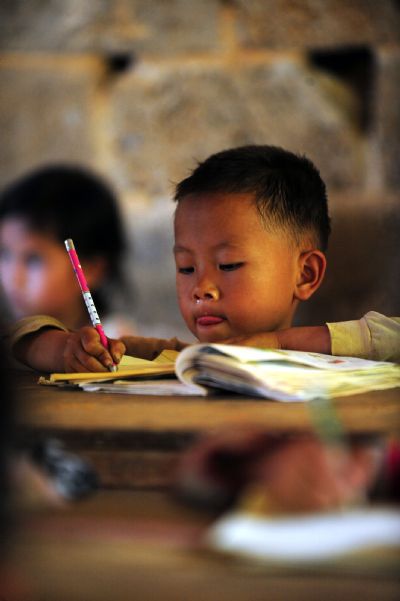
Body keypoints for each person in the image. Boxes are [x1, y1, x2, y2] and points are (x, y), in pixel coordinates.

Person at [8, 144, 332, 372]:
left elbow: (384, 335)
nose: (201, 288)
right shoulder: (171, 358)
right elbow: (18, 337)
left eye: (228, 265)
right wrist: (64, 350)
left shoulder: (334, 364)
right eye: (186, 268)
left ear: (305, 274)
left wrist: (278, 343)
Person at [0, 164, 136, 338]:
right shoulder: (10, 342)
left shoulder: (113, 347)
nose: (14, 277)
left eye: (33, 260)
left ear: (91, 269)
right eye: (4, 254)